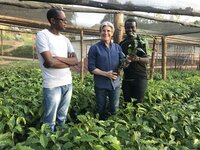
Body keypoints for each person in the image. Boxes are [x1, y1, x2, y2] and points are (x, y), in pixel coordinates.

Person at [35, 8, 78, 131]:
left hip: (67, 83)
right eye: (63, 20)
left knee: (62, 117)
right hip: (52, 84)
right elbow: (49, 62)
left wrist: (57, 59)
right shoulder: (42, 35)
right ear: (53, 20)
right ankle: (49, 144)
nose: (65, 22)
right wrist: (66, 61)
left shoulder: (65, 39)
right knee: (50, 121)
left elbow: (75, 61)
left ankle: (58, 142)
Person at [88, 21, 125, 120]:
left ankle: (113, 129)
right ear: (100, 32)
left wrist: (127, 61)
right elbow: (91, 68)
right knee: (101, 109)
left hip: (115, 84)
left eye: (108, 31)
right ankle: (101, 129)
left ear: (112, 33)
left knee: (114, 109)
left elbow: (123, 62)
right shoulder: (94, 48)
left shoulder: (117, 47)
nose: (106, 33)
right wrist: (106, 74)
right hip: (101, 85)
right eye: (103, 30)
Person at [120, 18, 149, 106]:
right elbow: (120, 62)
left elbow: (148, 60)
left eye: (132, 27)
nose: (130, 30)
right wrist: (126, 62)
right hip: (127, 79)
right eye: (128, 27)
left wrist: (137, 59)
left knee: (138, 105)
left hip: (140, 79)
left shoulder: (142, 42)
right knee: (127, 105)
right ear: (125, 28)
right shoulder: (122, 44)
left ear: (136, 28)